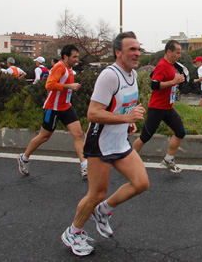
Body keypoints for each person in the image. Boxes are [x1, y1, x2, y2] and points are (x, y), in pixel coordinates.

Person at [62, 32, 148, 257]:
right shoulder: (109, 76)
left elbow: (121, 107)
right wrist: (126, 118)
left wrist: (128, 123)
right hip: (99, 142)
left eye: (138, 49)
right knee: (96, 193)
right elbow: (93, 113)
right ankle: (73, 232)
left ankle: (103, 211)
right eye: (132, 49)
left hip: (119, 140)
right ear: (118, 52)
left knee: (141, 183)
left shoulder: (134, 75)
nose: (137, 53)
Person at [17, 45, 88, 177]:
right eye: (74, 57)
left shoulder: (70, 68)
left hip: (66, 106)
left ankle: (84, 165)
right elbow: (49, 84)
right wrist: (69, 86)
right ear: (66, 57)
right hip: (53, 108)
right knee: (44, 137)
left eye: (77, 57)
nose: (77, 59)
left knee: (78, 134)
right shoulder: (59, 67)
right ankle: (24, 157)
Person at [132, 40, 186, 173]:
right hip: (157, 108)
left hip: (168, 108)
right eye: (177, 53)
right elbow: (154, 84)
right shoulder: (163, 64)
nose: (179, 55)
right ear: (169, 52)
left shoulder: (171, 65)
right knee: (145, 136)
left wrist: (177, 81)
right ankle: (128, 161)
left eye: (180, 53)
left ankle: (168, 159)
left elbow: (153, 75)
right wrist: (173, 81)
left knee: (180, 132)